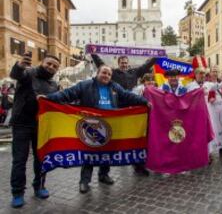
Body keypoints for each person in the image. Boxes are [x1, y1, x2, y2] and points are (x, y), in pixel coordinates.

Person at [46, 65, 150, 194]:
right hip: (90, 124)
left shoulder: (114, 87)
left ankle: (103, 175)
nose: (106, 75)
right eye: (104, 73)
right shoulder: (85, 85)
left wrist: (144, 101)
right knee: (89, 153)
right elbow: (67, 94)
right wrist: (48, 99)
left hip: (109, 124)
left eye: (109, 74)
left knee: (106, 151)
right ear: (97, 73)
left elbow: (128, 96)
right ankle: (84, 181)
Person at [9, 53, 60, 208]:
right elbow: (16, 74)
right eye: (48, 63)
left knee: (41, 159)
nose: (51, 67)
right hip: (22, 124)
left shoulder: (54, 84)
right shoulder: (29, 73)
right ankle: (17, 193)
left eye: (54, 66)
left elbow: (57, 102)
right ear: (42, 62)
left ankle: (39, 186)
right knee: (19, 160)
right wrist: (20, 65)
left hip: (41, 125)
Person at [91, 54, 155, 176]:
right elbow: (101, 64)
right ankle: (104, 172)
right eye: (122, 63)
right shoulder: (113, 73)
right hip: (117, 110)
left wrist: (157, 57)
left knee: (136, 139)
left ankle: (138, 166)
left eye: (126, 62)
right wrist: (93, 54)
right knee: (110, 140)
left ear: (128, 63)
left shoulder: (134, 72)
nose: (124, 64)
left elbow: (146, 66)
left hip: (132, 111)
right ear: (118, 63)